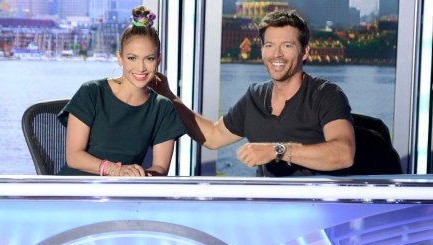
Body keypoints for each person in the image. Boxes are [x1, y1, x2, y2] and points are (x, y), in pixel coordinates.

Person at [151, 9, 355, 177]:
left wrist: (277, 150)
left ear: (305, 51)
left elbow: (344, 153)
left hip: (317, 210)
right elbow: (212, 136)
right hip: (266, 208)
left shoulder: (326, 94)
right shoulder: (255, 97)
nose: (277, 54)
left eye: (287, 45)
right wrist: (168, 96)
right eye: (269, 45)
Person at [57, 5, 186, 177]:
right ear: (120, 58)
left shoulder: (163, 108)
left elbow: (160, 169)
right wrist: (117, 170)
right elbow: (74, 157)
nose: (141, 68)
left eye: (149, 59)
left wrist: (143, 175)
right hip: (76, 191)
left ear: (158, 60)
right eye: (132, 58)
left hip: (123, 193)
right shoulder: (92, 92)